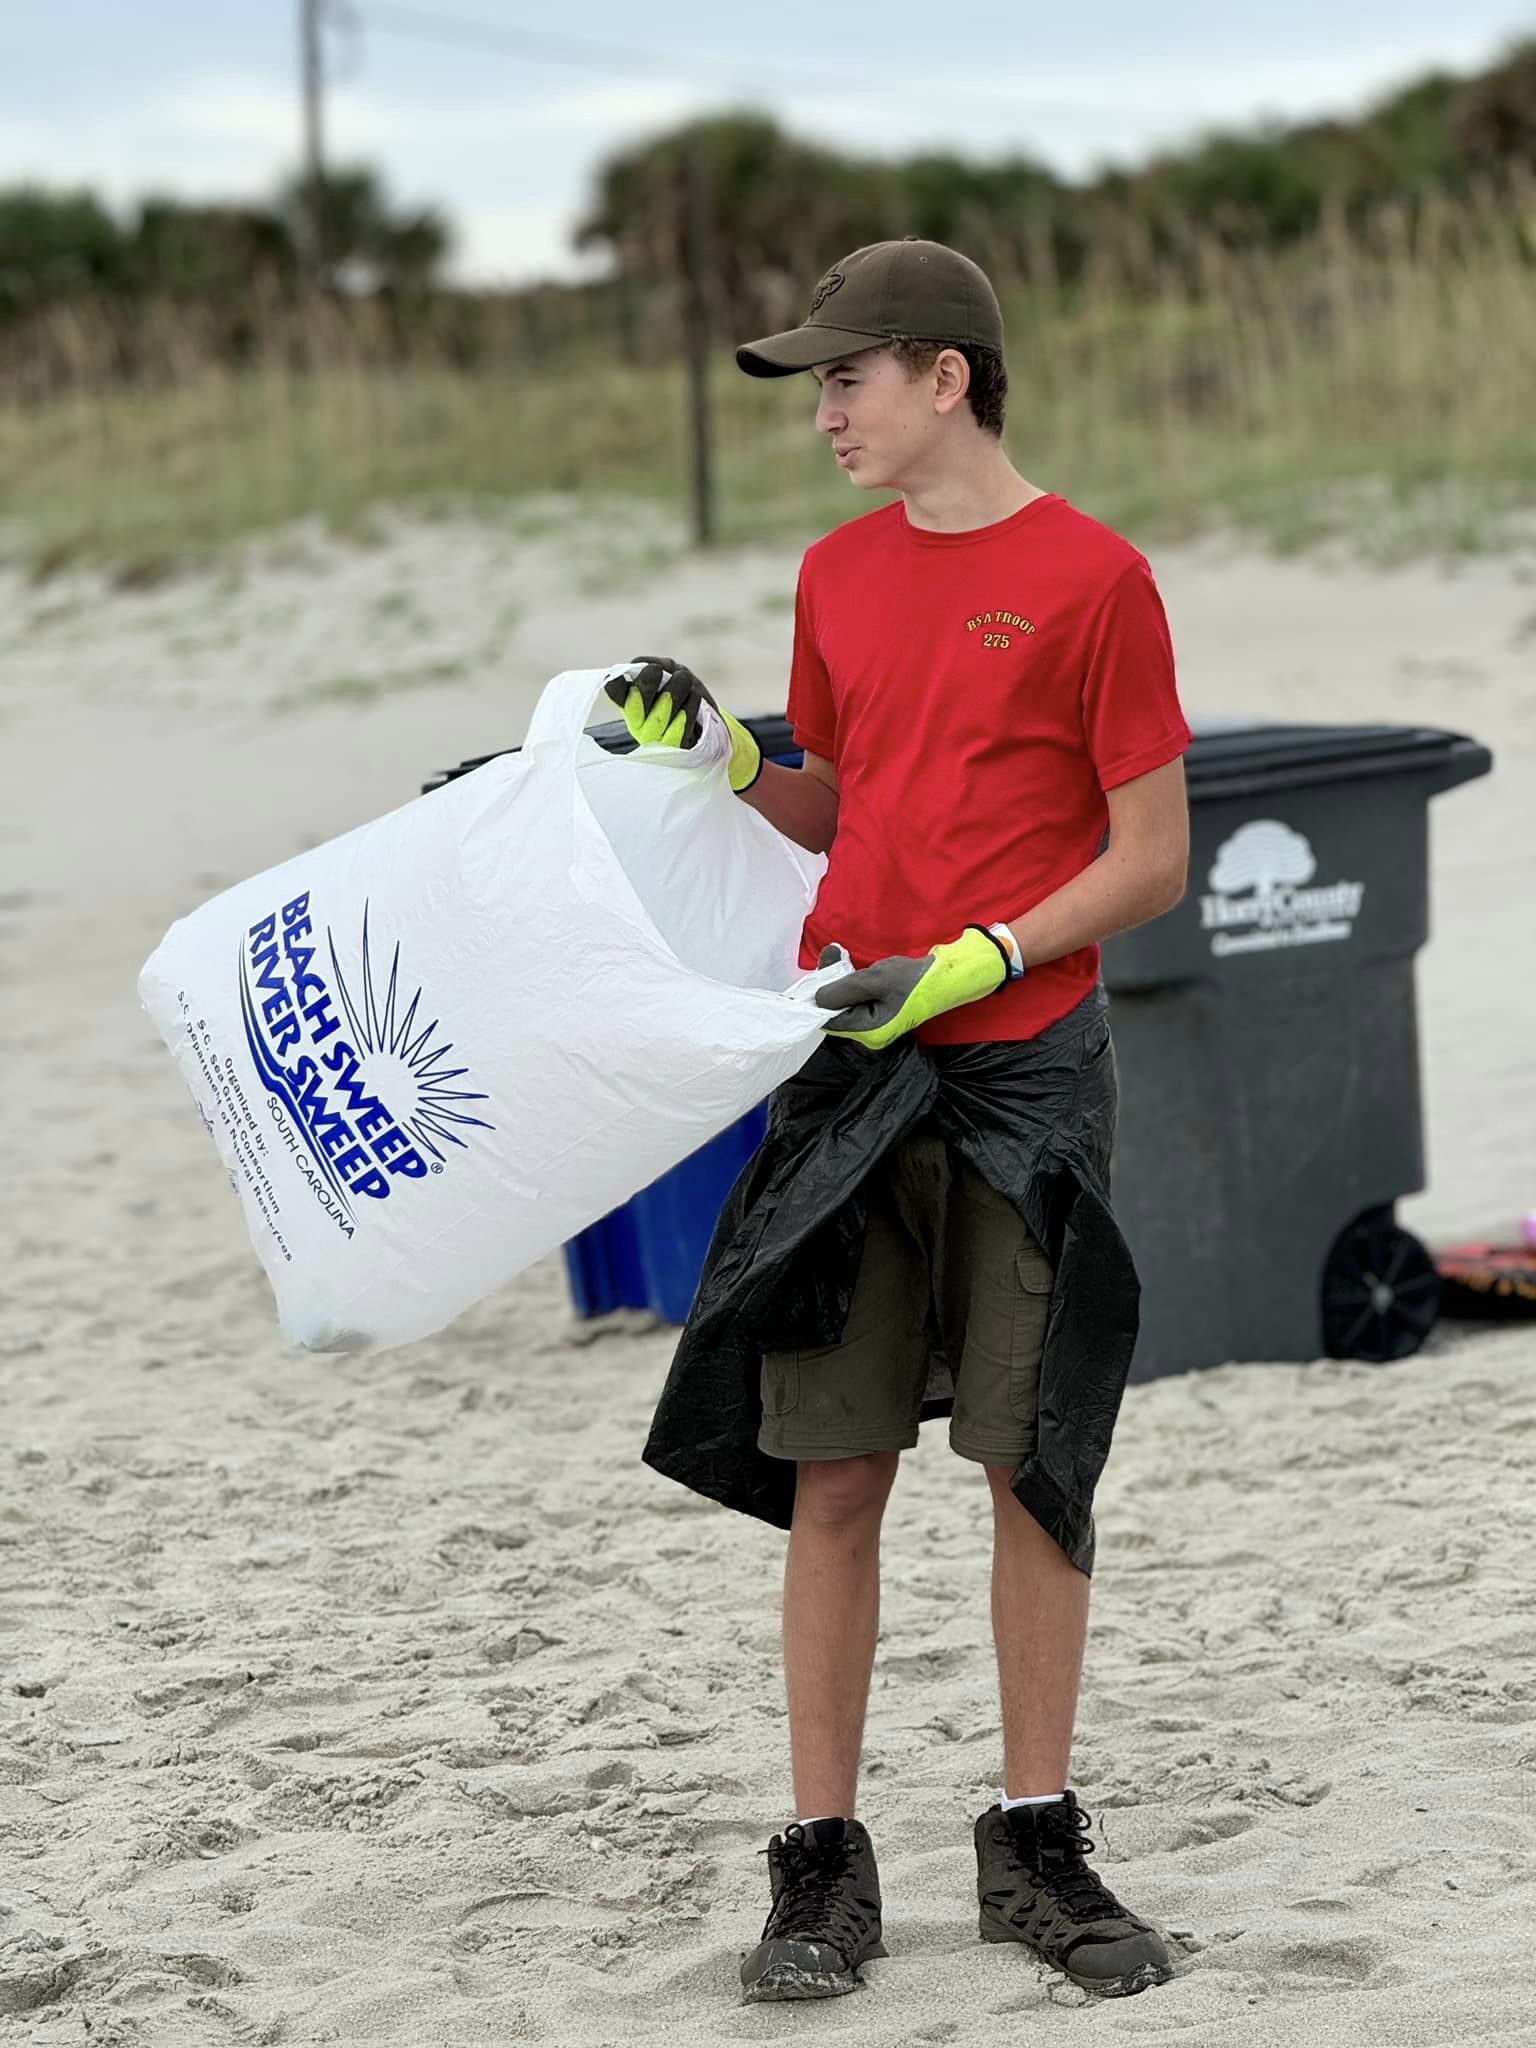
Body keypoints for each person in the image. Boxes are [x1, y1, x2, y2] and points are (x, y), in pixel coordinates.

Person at [605, 238, 1192, 2007]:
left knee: (1032, 1462)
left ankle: (1035, 1839)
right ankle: (820, 1868)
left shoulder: (1096, 581)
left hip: (1023, 1072)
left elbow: (1153, 856)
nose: (826, 412)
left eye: (848, 379)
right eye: (814, 384)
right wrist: (720, 759)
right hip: (855, 1064)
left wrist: (986, 957)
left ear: (950, 377)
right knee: (834, 1469)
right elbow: (839, 802)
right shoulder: (836, 577)